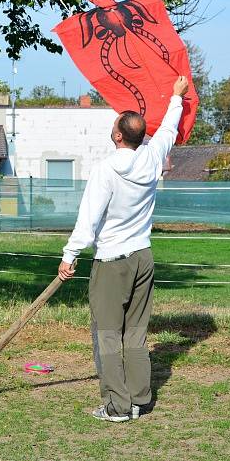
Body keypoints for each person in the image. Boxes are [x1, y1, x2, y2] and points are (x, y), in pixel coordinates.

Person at [57, 76, 189, 422]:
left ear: (118, 135)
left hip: (111, 261)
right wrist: (176, 97)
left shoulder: (105, 170)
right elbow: (169, 131)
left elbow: (88, 219)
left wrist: (69, 256)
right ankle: (140, 398)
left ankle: (118, 406)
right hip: (142, 258)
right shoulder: (152, 158)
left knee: (107, 336)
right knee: (135, 332)